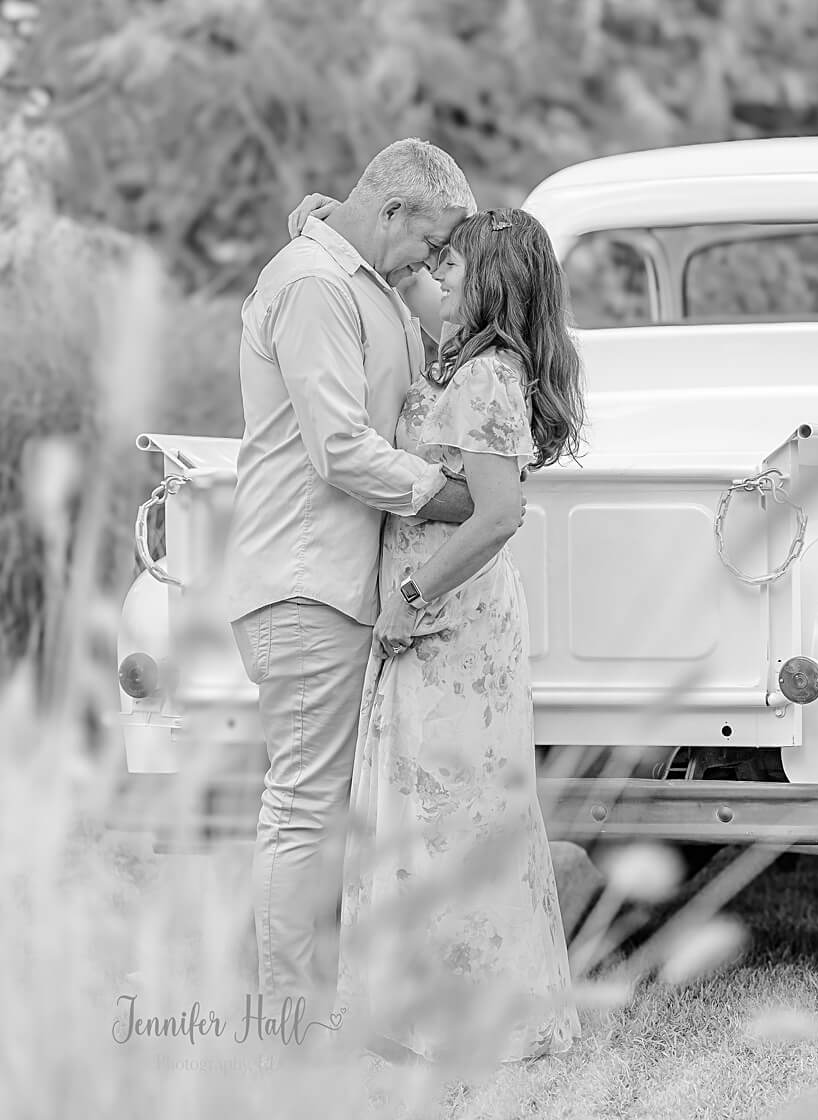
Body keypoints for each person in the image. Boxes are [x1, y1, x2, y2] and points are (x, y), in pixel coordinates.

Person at [226, 138, 490, 1029]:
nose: (431, 257)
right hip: (305, 587)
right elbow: (337, 446)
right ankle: (286, 1026)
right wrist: (446, 498)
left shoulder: (354, 275)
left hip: (339, 585)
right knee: (304, 806)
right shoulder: (313, 284)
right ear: (392, 213)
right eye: (432, 237)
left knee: (331, 806)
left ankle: (325, 1007)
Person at [332, 205, 586, 1068]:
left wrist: (409, 593)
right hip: (446, 618)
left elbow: (501, 513)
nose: (437, 276)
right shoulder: (465, 363)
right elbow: (402, 278)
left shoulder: (486, 379)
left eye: (454, 267)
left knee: (452, 820)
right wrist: (336, 223)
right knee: (433, 813)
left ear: (491, 287)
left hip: (452, 619)